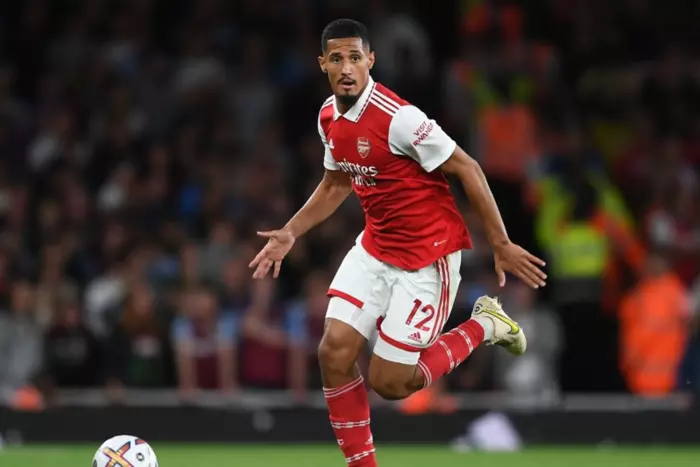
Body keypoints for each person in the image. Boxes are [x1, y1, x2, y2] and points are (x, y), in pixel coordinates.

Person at [249, 19, 546, 466]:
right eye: (336, 59)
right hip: (375, 248)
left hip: (428, 258)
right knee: (333, 351)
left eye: (355, 57)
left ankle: (485, 324)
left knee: (390, 382)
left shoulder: (400, 118)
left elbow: (467, 167)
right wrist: (291, 231)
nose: (346, 67)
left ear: (370, 60)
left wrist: (500, 243)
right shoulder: (328, 116)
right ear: (323, 64)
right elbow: (336, 183)